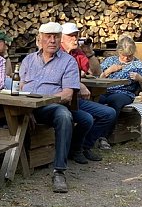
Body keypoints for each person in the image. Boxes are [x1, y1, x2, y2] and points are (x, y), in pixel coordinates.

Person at [19, 22, 94, 194]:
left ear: (60, 39)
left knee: (64, 115)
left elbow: (67, 94)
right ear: (40, 39)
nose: (52, 40)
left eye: (56, 37)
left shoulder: (68, 62)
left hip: (51, 107)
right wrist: (26, 110)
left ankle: (59, 171)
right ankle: (1, 160)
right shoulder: (28, 60)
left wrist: (40, 101)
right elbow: (20, 87)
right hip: (25, 106)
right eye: (48, 36)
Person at [60, 22, 116, 162]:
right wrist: (79, 84)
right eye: (70, 36)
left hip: (76, 99)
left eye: (76, 35)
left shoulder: (77, 52)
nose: (74, 39)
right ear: (61, 38)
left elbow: (95, 72)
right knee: (86, 118)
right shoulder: (57, 54)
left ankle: (84, 146)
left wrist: (89, 52)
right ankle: (76, 148)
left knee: (109, 113)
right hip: (61, 99)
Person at [97, 37, 142, 148]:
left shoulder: (138, 65)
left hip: (124, 94)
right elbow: (96, 78)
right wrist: (108, 71)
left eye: (130, 56)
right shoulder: (110, 61)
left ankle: (103, 137)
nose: (127, 58)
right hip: (105, 91)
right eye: (123, 55)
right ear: (118, 52)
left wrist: (140, 79)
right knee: (93, 100)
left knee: (115, 102)